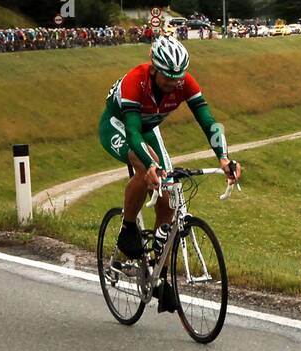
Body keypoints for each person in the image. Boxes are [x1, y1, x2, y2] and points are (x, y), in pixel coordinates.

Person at [98, 35, 240, 312]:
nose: (174, 84)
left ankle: (159, 274)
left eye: (179, 79)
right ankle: (128, 229)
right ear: (153, 70)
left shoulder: (184, 82)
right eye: (168, 80)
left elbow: (208, 121)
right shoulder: (134, 82)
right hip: (121, 126)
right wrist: (149, 167)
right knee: (146, 165)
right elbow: (133, 132)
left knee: (168, 190)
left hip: (149, 128)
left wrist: (223, 158)